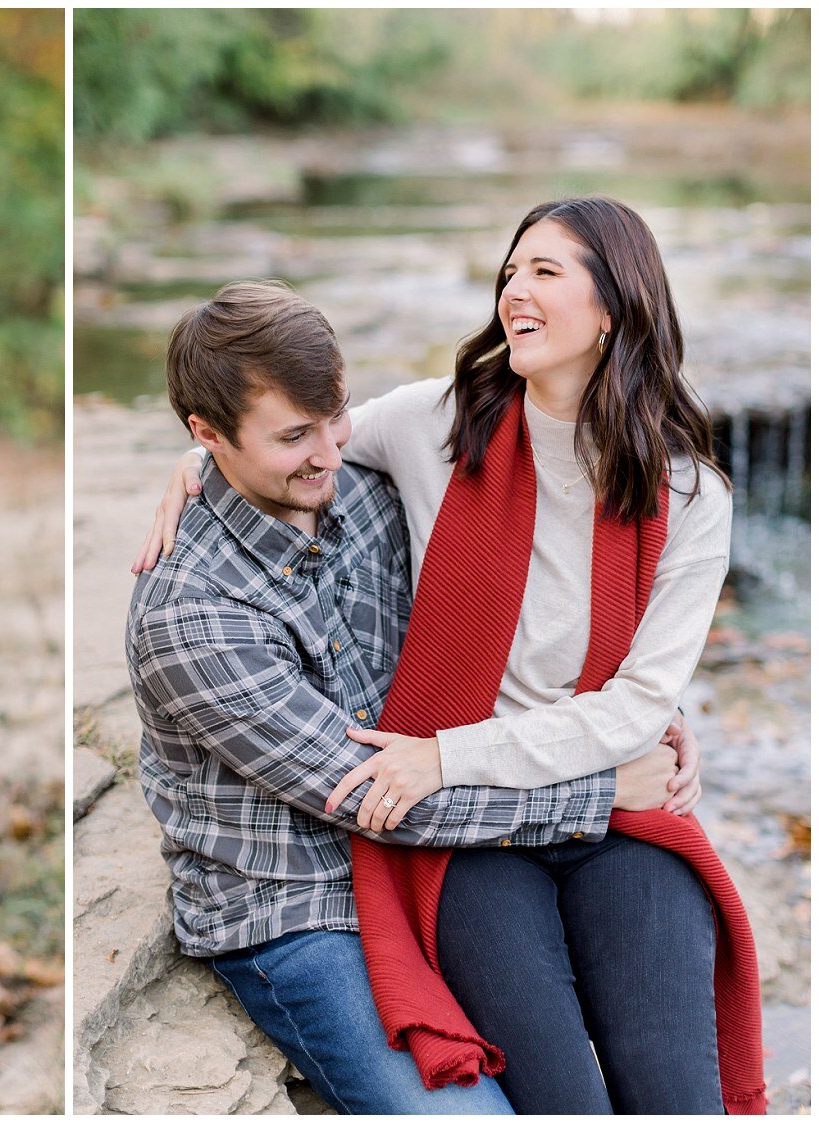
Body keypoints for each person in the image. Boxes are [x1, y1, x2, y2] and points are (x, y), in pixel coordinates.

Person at [133, 198, 764, 1113]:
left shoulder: (691, 495)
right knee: (563, 1100)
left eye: (546, 271)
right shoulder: (439, 423)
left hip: (599, 797)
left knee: (676, 1093)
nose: (516, 289)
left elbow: (637, 703)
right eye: (511, 270)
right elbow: (284, 444)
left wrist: (625, 745)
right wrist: (192, 474)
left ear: (615, 308)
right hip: (468, 829)